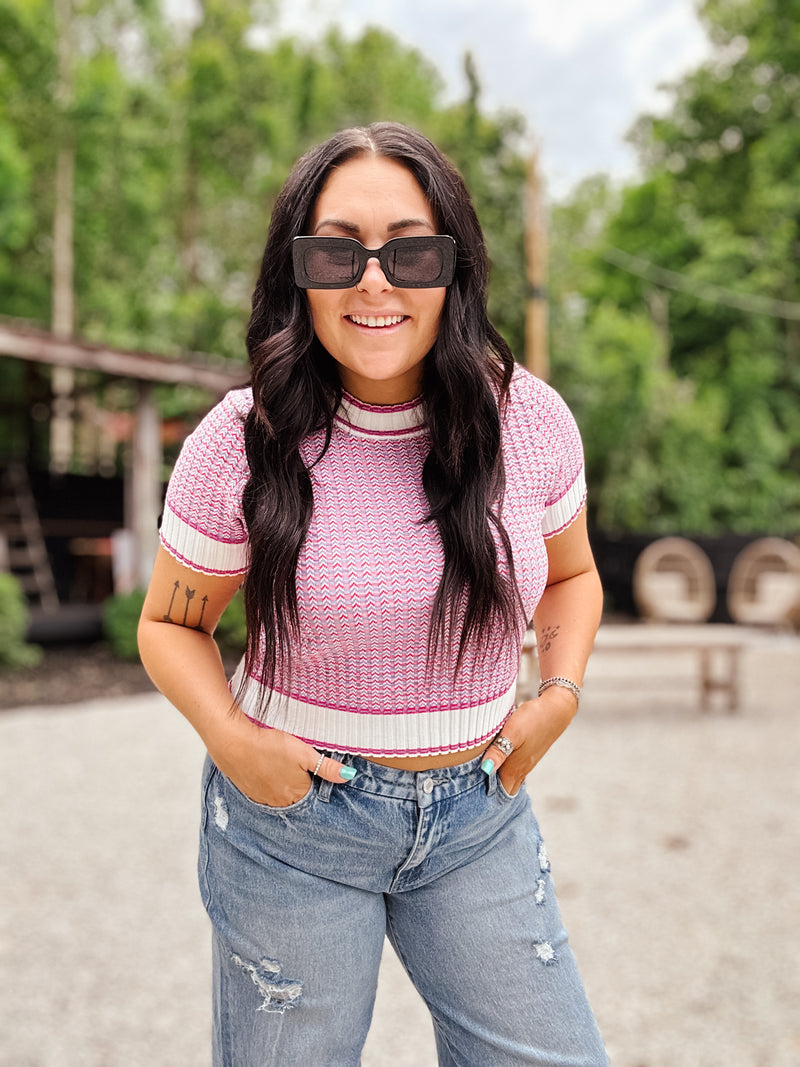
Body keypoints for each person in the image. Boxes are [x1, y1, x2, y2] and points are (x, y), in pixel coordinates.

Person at [138, 121, 608, 1066]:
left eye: (411, 248)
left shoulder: (533, 420)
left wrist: (558, 697)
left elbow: (572, 574)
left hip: (480, 815)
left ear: (455, 268)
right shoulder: (241, 439)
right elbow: (168, 624)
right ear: (297, 270)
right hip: (292, 826)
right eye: (337, 249)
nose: (374, 279)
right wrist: (234, 742)